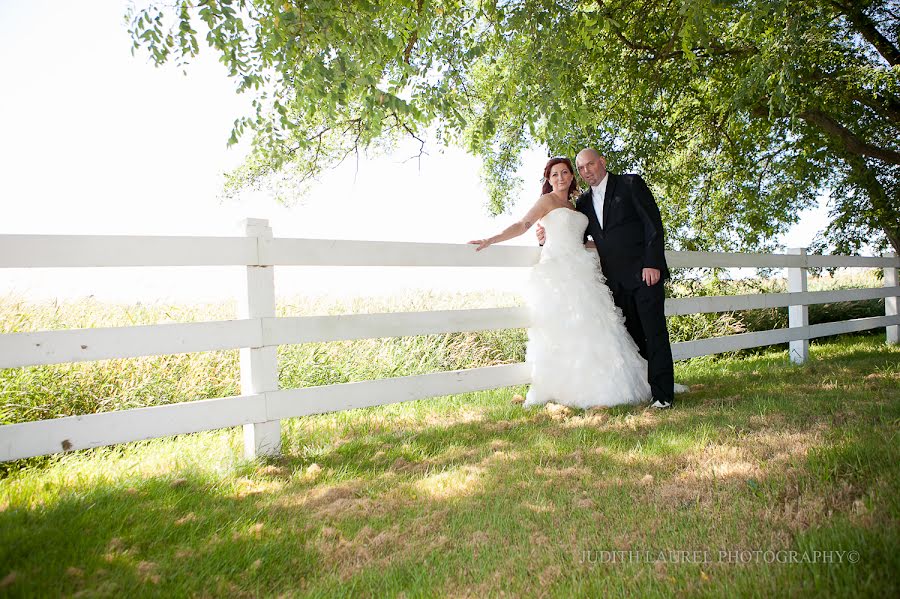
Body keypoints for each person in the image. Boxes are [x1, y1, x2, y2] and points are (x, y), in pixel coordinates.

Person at [469, 157, 651, 409]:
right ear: (548, 179)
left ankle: (605, 387)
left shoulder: (579, 206)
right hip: (557, 271)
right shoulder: (546, 202)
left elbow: (585, 240)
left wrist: (616, 246)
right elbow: (523, 224)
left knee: (593, 326)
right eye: (554, 174)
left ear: (572, 176)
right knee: (561, 329)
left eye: (565, 172)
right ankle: (564, 389)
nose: (560, 178)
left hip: (582, 270)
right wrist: (492, 238)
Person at [538, 148, 675, 409]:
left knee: (654, 333)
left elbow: (652, 224)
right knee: (634, 337)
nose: (587, 171)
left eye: (591, 164)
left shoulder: (630, 183)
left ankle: (663, 395)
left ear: (602, 162)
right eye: (581, 168)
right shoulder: (583, 204)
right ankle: (645, 388)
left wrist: (652, 263)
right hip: (614, 281)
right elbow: (579, 239)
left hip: (644, 273)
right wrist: (546, 236)